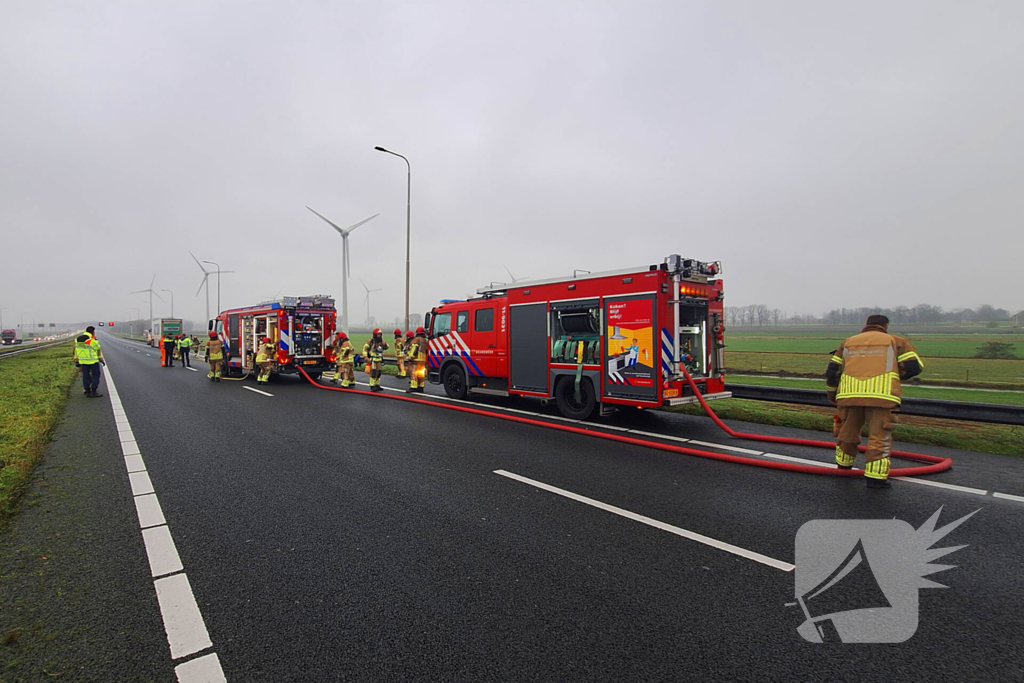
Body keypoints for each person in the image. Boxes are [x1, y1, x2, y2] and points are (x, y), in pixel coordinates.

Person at [825, 314, 924, 489]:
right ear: (885, 326)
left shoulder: (848, 342)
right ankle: (875, 479)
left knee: (847, 433)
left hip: (850, 396)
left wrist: (832, 394)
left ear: (866, 324)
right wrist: (896, 376)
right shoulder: (896, 341)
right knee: (879, 436)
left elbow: (833, 371)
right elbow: (914, 367)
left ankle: (843, 468)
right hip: (882, 397)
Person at [72, 326, 105, 397]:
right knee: (96, 376)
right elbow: (97, 347)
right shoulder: (90, 340)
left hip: (83, 361)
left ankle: (87, 391)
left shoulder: (77, 339)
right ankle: (94, 391)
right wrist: (94, 339)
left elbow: (76, 350)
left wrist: (76, 359)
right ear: (92, 332)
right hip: (93, 361)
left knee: (85, 376)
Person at [406, 326, 428, 393]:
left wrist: (410, 357)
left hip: (416, 360)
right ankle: (421, 386)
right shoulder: (425, 340)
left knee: (413, 373)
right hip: (423, 360)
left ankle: (413, 387)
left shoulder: (416, 340)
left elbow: (414, 349)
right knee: (421, 373)